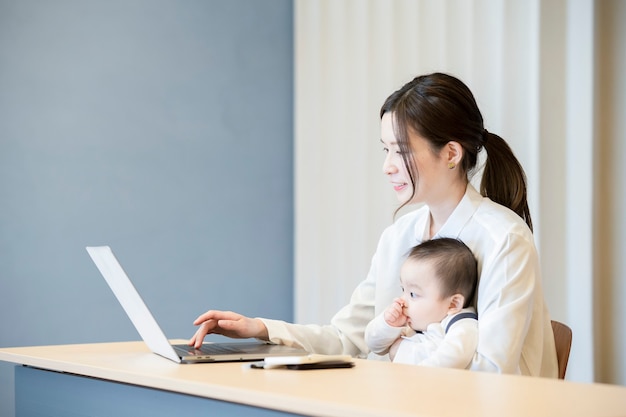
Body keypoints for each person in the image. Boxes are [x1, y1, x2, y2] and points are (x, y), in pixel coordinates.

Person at [189, 72, 559, 377]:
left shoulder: (504, 239)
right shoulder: (399, 236)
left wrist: (399, 354)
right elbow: (349, 338)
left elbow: (492, 372)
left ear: (450, 153)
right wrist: (261, 329)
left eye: (402, 150)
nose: (388, 166)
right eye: (386, 150)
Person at [364, 237, 478, 368]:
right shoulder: (413, 321)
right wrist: (388, 324)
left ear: (453, 304)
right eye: (403, 289)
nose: (402, 300)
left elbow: (452, 358)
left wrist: (403, 353)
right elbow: (374, 345)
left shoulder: (461, 325)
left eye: (413, 294)